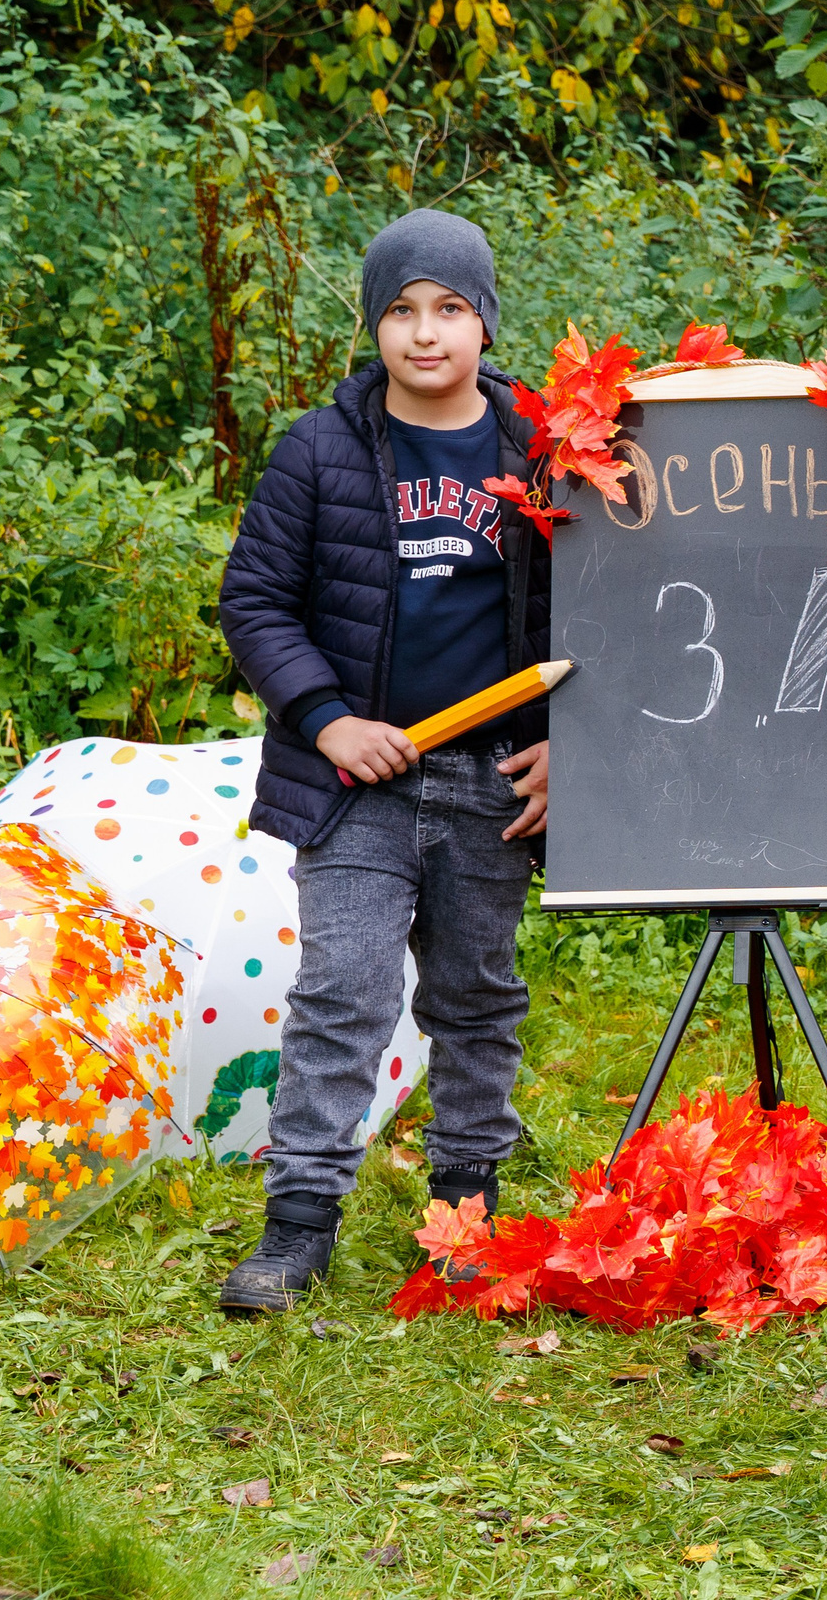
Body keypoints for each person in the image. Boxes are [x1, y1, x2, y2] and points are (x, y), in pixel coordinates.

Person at [215, 209, 551, 1315]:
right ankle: (298, 1225)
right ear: (373, 325)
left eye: (450, 309)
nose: (424, 333)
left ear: (486, 322)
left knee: (475, 997)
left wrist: (569, 749)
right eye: (400, 310)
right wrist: (325, 721)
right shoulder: (321, 448)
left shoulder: (546, 451)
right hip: (359, 784)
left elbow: (607, 619)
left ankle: (465, 1217)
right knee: (342, 994)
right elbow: (255, 600)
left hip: (489, 783)